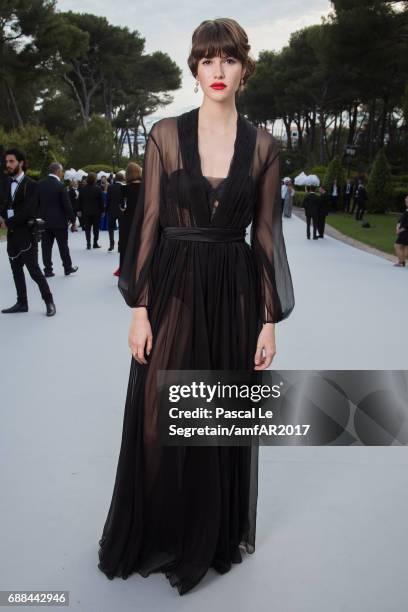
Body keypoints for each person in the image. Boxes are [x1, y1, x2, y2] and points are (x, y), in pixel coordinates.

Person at [97, 17, 295, 596]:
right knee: (161, 418)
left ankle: (208, 535)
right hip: (176, 284)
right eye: (207, 60)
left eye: (227, 59)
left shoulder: (263, 145)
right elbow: (148, 227)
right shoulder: (163, 135)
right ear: (194, 69)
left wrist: (268, 320)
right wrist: (139, 307)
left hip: (232, 290)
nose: (217, 70)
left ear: (244, 68)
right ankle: (161, 529)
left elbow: (267, 237)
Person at [0, 148, 56, 316]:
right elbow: (6, 205)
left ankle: (49, 301)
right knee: (16, 270)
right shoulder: (7, 182)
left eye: (11, 161)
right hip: (12, 236)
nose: (8, 164)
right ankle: (22, 302)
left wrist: (7, 222)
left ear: (21, 163)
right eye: (7, 161)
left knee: (34, 271)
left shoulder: (32, 185)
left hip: (27, 234)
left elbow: (28, 211)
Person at [37, 162, 78, 277]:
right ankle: (67, 268)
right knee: (63, 246)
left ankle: (48, 270)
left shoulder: (39, 184)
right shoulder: (60, 186)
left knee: (45, 246)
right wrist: (73, 220)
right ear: (58, 171)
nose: (62, 173)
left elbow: (36, 204)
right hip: (59, 222)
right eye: (62, 171)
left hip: (44, 221)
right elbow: (67, 205)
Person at [114, 162, 142, 277]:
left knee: (126, 245)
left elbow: (121, 207)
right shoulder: (146, 187)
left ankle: (126, 269)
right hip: (142, 220)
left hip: (128, 221)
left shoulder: (124, 189)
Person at [77, 172, 104, 249]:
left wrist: (79, 210)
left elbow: (79, 201)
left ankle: (88, 244)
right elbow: (101, 202)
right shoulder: (98, 189)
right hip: (96, 212)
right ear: (95, 180)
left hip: (86, 211)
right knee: (96, 228)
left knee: (87, 229)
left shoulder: (82, 189)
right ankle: (95, 243)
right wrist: (102, 211)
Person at [106, 171, 126, 252]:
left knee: (111, 228)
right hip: (121, 210)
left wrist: (106, 210)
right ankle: (120, 245)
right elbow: (125, 199)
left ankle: (111, 244)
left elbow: (108, 199)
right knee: (121, 229)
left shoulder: (110, 187)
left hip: (112, 209)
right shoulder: (124, 187)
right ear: (123, 178)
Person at [393, 194, 408, 267]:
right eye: (406, 198)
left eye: (407, 199)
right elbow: (400, 221)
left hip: (405, 232)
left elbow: (406, 225)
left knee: (397, 245)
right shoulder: (406, 210)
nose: (405, 200)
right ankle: (403, 261)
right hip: (403, 231)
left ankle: (401, 261)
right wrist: (397, 226)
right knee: (404, 246)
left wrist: (399, 230)